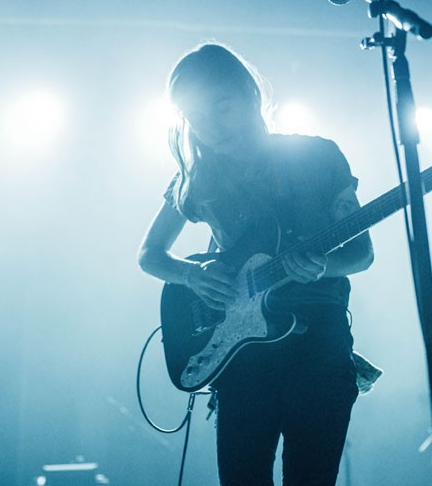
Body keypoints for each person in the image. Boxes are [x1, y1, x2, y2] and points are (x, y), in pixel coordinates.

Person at [138, 42, 374, 486]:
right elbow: (149, 254)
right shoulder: (196, 177)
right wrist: (192, 275)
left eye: (221, 108)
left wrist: (321, 266)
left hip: (319, 346)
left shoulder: (316, 156)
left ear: (250, 94)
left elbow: (361, 253)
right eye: (196, 118)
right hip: (242, 355)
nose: (211, 127)